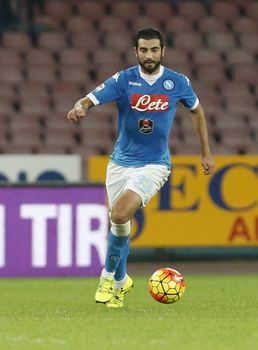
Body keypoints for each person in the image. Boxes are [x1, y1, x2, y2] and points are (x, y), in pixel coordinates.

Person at [67, 27, 215, 308]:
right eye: (144, 50)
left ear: (163, 51)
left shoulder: (177, 82)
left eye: (154, 49)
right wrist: (81, 107)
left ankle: (107, 278)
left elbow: (196, 110)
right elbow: (90, 97)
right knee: (118, 223)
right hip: (119, 163)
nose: (149, 55)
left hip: (154, 164)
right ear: (136, 52)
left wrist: (206, 152)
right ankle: (123, 283)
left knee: (121, 213)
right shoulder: (124, 80)